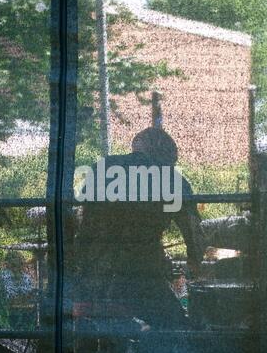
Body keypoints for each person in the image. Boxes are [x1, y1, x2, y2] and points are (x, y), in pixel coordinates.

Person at [75, 127, 205, 329]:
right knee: (177, 329)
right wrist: (195, 267)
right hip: (142, 277)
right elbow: (196, 237)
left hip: (94, 279)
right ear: (167, 156)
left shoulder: (103, 168)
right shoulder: (172, 179)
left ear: (136, 147)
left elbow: (82, 223)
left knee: (103, 331)